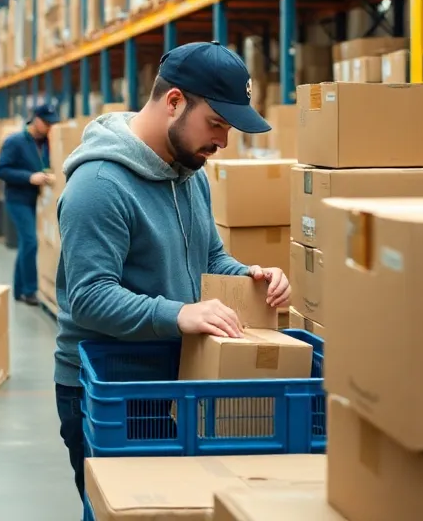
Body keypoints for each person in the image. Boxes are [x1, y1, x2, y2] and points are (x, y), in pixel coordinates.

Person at [52, 42, 292, 508]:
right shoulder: (99, 186)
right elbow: (89, 296)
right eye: (217, 124)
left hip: (175, 375)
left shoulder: (189, 172)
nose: (222, 142)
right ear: (175, 102)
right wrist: (179, 312)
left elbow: (210, 257)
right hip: (111, 383)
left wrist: (251, 276)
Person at [0, 101, 60, 305]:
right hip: (18, 199)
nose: (50, 127)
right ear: (36, 120)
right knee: (30, 241)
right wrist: (29, 177)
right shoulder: (15, 141)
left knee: (26, 242)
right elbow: (2, 170)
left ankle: (18, 289)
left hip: (38, 200)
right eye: (47, 123)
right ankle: (31, 290)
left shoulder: (48, 141)